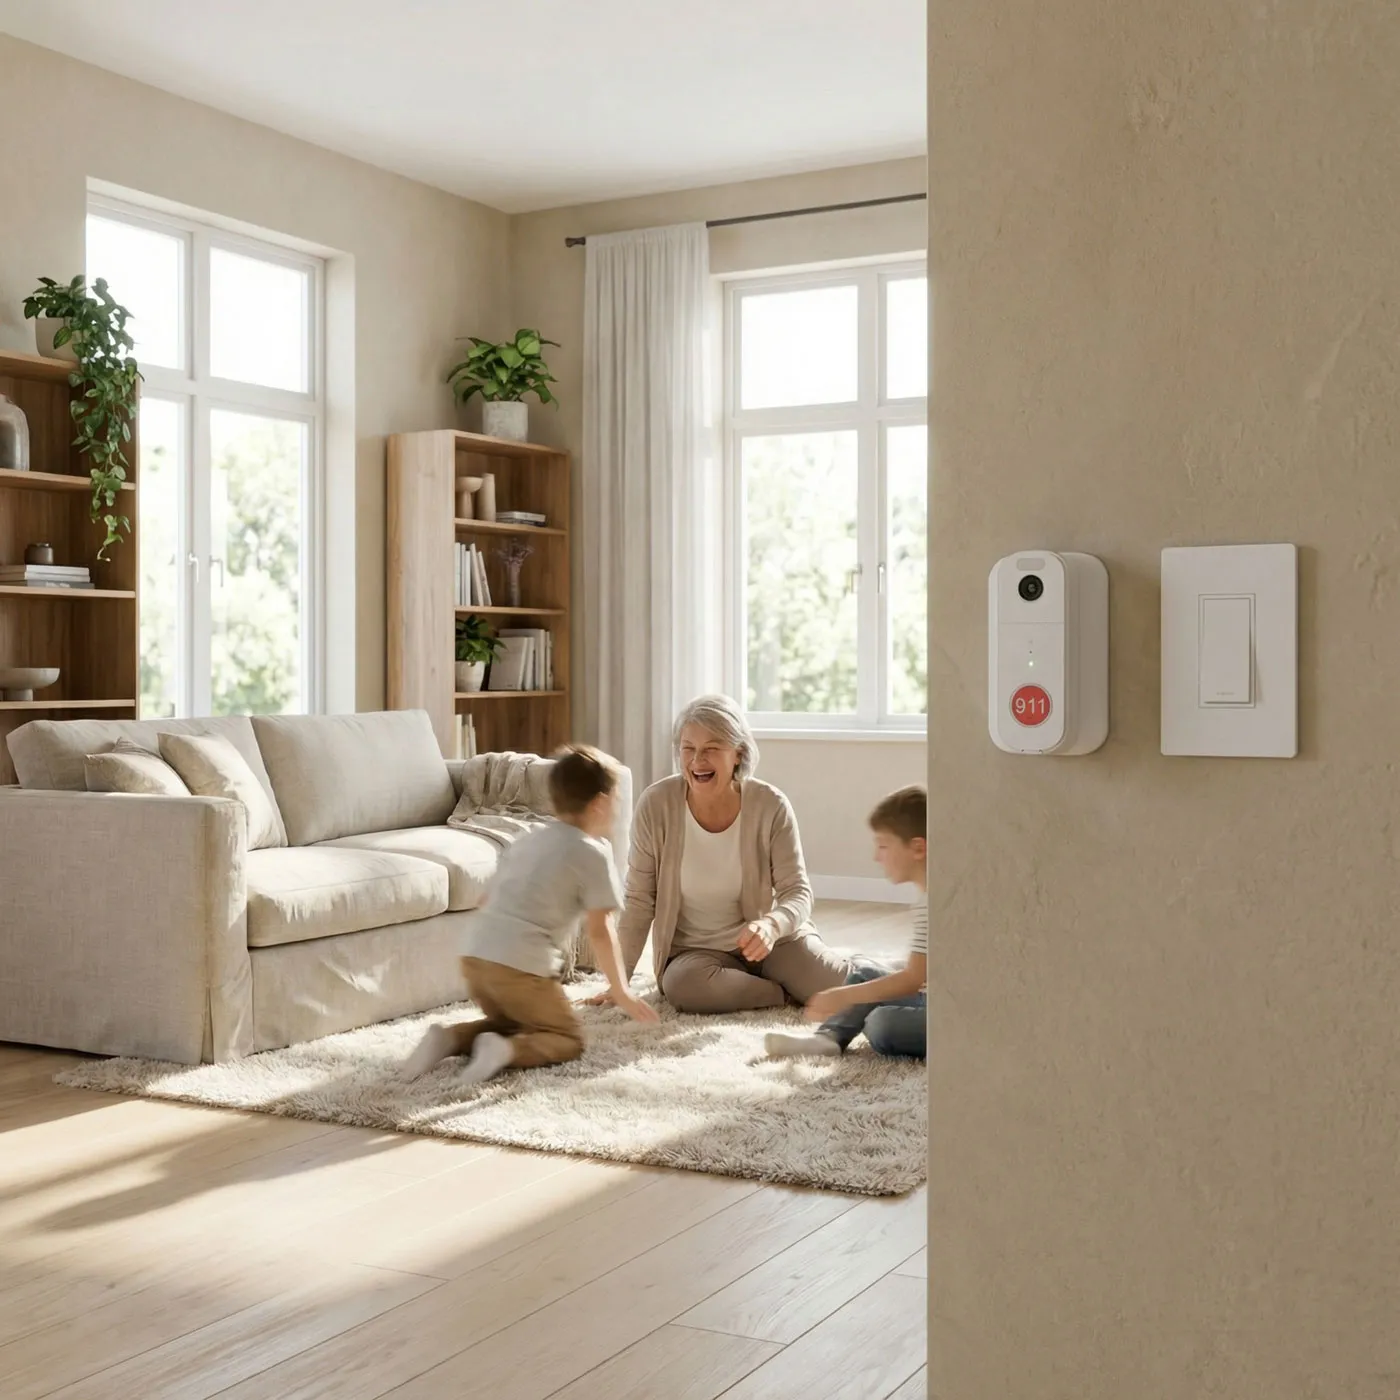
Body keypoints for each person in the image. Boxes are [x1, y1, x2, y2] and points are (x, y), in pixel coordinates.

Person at [402, 744, 658, 1083]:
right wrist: (621, 991)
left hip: (476, 957)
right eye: (615, 802)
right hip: (521, 966)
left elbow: (486, 900)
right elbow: (600, 930)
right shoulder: (592, 854)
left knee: (515, 1022)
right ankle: (506, 1052)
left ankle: (449, 1038)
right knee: (566, 1038)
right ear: (599, 804)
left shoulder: (526, 840)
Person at [595, 694, 849, 1015]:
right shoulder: (656, 804)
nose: (697, 760)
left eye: (711, 749)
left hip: (771, 943)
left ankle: (904, 982)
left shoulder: (770, 805)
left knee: (836, 984)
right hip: (696, 955)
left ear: (738, 754)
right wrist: (620, 983)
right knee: (683, 987)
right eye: (688, 748)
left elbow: (797, 892)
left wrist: (771, 925)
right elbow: (639, 901)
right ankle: (782, 992)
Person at [765, 784, 927, 1060]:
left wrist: (843, 997)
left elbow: (912, 980)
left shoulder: (937, 902)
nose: (877, 856)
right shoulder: (927, 895)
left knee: (880, 1023)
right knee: (863, 970)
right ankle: (828, 1039)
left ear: (917, 848)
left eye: (883, 846)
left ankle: (836, 1033)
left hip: (959, 1018)